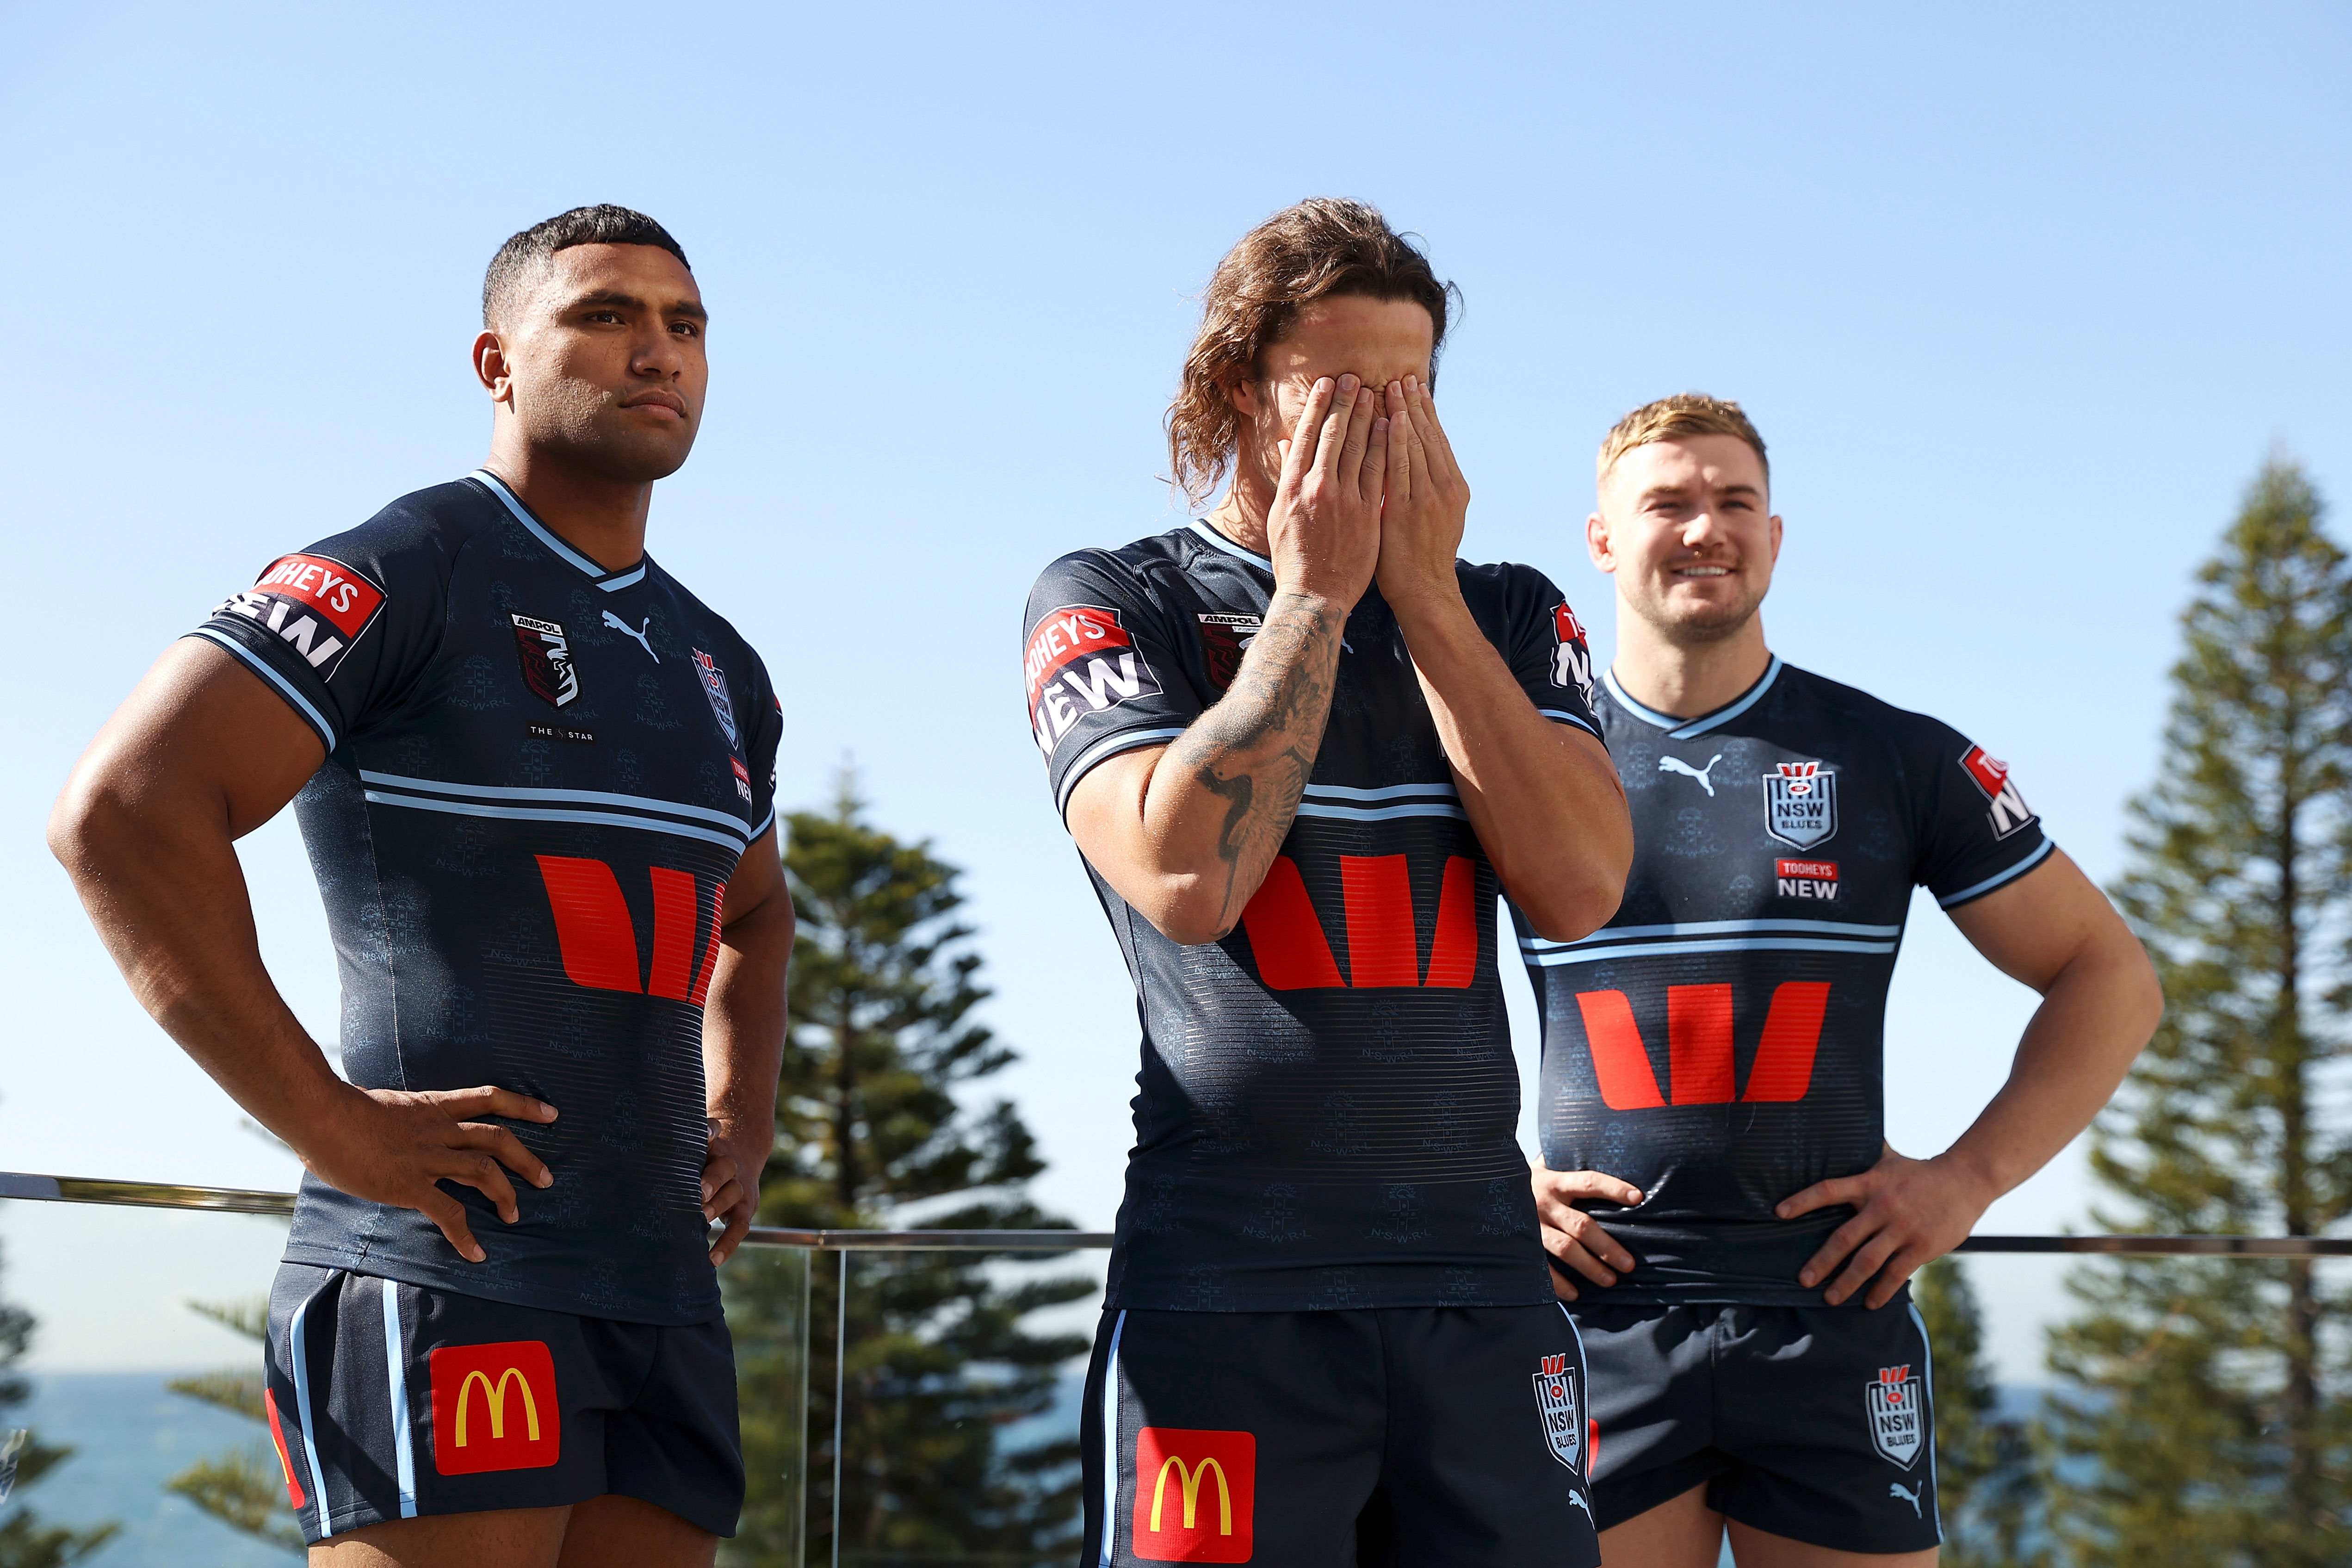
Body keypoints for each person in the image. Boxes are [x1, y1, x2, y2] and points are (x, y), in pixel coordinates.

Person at [47, 205, 790, 1568]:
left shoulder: (716, 659)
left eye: (684, 326)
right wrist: (332, 1125)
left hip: (659, 1288)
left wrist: (741, 1109)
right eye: (606, 315)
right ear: (495, 362)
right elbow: (121, 812)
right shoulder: (407, 566)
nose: (657, 353)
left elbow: (750, 910)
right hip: (448, 1267)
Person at [1027, 198, 1633, 1568]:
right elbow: (1186, 875)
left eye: (1408, 393)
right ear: (1237, 386)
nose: (1379, 425)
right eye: (1337, 393)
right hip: (1227, 1290)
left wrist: (1418, 598)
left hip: (1480, 1293)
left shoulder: (1511, 609)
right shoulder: (1116, 593)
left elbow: (1580, 884)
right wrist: (1310, 597)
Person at [1522, 394, 2161, 1565]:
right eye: (1666, 503)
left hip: (1831, 1314)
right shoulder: (1521, 761)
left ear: (1775, 538)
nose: (1704, 527)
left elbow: (2107, 973)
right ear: (1602, 540)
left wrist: (1966, 1181)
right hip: (1588, 1320)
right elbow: (1368, 997)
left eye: (1734, 502)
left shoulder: (1894, 757)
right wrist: (1481, 1187)